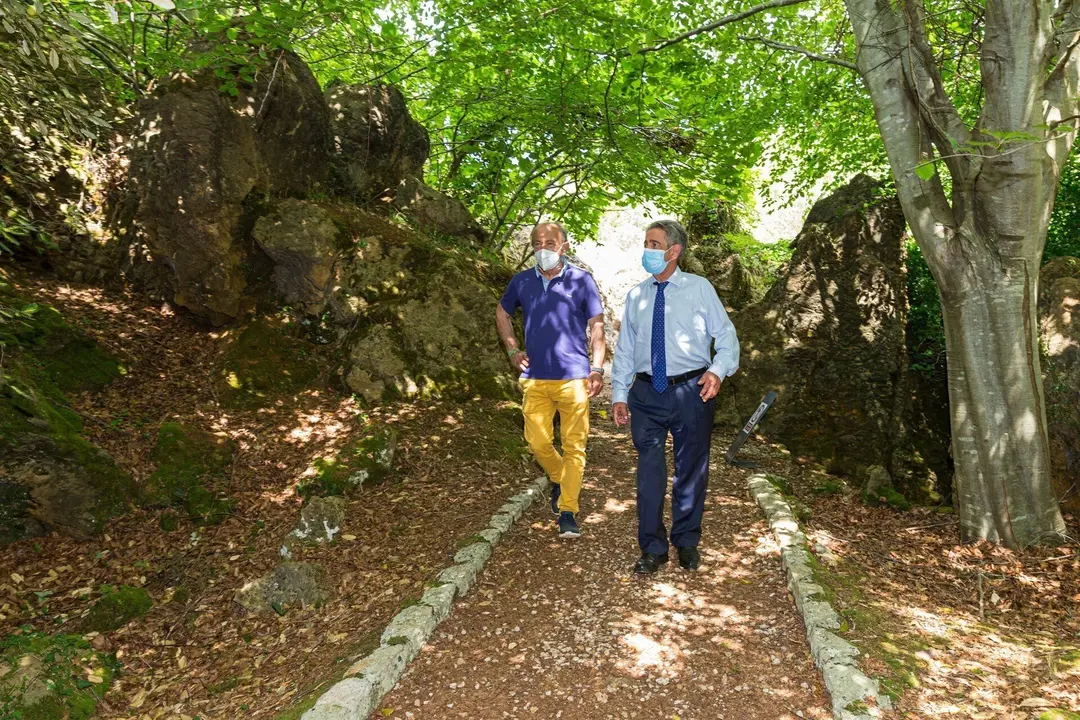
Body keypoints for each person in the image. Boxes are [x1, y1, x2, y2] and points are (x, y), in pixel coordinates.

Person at [611, 219, 740, 573]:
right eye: (646, 243)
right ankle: (652, 548)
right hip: (645, 393)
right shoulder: (636, 295)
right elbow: (624, 350)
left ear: (674, 250)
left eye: (653, 244)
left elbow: (727, 338)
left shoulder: (700, 289)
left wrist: (717, 370)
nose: (647, 250)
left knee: (691, 469)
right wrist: (619, 394)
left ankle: (686, 540)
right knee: (649, 471)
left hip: (691, 390)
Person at [496, 222, 606, 539]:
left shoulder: (582, 281)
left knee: (575, 447)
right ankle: (561, 478)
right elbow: (502, 313)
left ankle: (568, 510)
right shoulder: (521, 282)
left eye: (550, 241)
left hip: (574, 378)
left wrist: (596, 368)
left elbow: (597, 327)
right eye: (537, 242)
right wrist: (513, 349)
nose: (543, 247)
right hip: (535, 378)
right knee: (538, 442)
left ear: (564, 246)